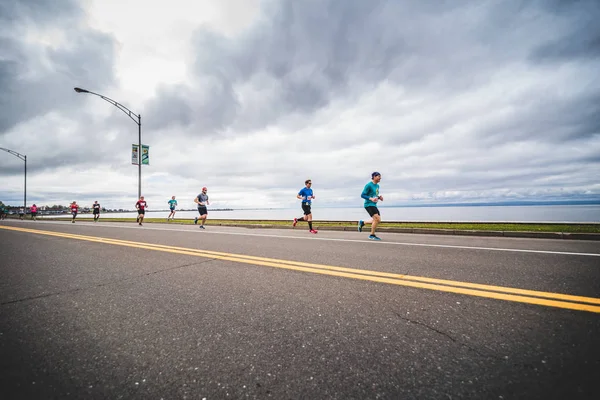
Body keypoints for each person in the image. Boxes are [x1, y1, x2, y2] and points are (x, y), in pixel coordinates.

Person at [358, 172, 384, 241]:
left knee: (378, 220)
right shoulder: (368, 185)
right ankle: (372, 235)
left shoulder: (377, 186)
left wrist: (379, 197)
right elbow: (362, 195)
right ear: (374, 177)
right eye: (379, 176)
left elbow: (374, 195)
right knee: (377, 219)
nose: (380, 178)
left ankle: (363, 222)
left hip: (374, 205)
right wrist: (371, 199)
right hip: (368, 204)